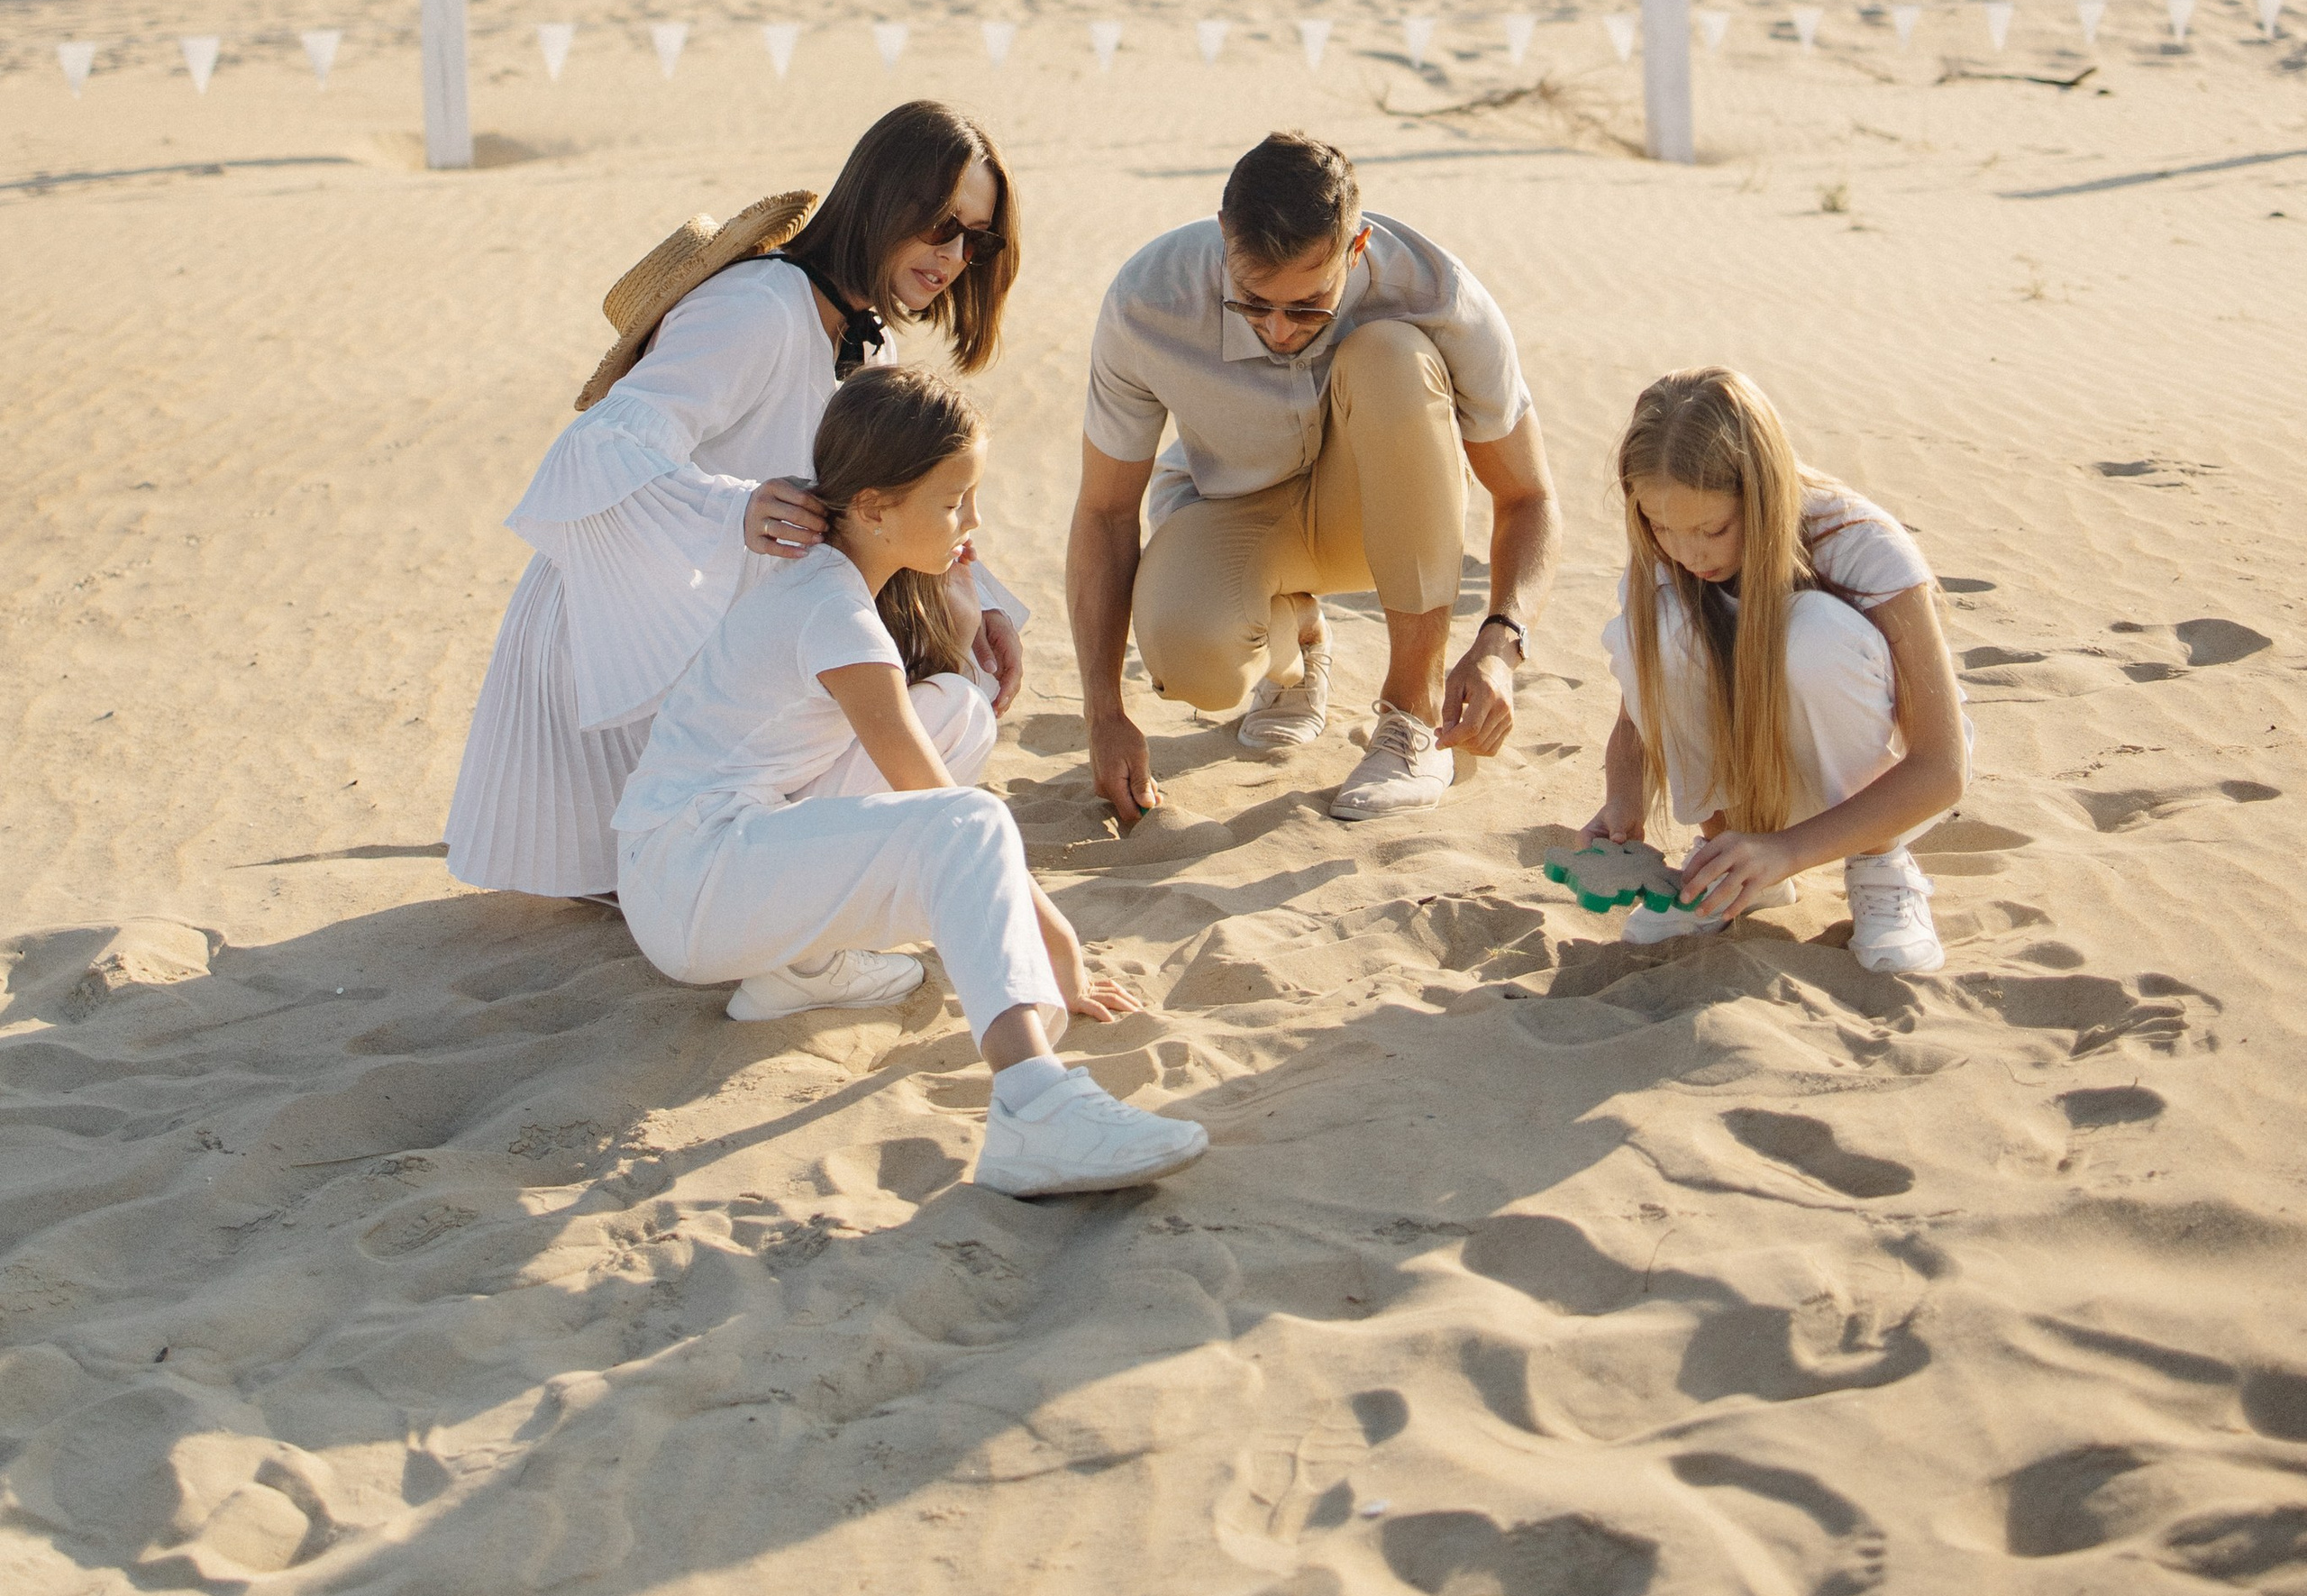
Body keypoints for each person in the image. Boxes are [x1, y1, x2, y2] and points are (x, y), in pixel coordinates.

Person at [618, 364, 1209, 1196]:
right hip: (690, 880)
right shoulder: (835, 610)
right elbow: (931, 800)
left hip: (710, 856)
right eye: (953, 500)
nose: (973, 520)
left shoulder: (834, 581)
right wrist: (1059, 944)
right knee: (966, 823)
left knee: (956, 710)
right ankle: (1034, 1108)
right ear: (873, 508)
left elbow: (917, 762)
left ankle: (799, 968)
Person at [445, 101, 1026, 901]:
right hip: (622, 631)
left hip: (717, 639)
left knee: (958, 681)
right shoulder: (757, 307)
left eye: (978, 237)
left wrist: (980, 599)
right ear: (883, 201)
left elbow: (898, 496)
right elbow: (597, 447)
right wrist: (734, 509)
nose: (956, 256)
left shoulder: (869, 339)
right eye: (939, 225)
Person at [1066, 129, 1562, 826]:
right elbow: (1105, 514)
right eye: (1250, 301)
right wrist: (1104, 711)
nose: (1276, 328)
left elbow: (1529, 495)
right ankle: (1296, 641)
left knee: (1392, 353)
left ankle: (1411, 718)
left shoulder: (1438, 292)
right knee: (1191, 665)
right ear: (1221, 240)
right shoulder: (1147, 301)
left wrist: (1501, 646)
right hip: (1230, 506)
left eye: (1306, 307)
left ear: (1356, 250)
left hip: (1379, 517)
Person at [1582, 365, 1968, 975]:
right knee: (1657, 631)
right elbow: (1640, 709)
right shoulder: (1667, 553)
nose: (1689, 552)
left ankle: (1880, 866)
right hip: (1753, 783)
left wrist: (1788, 849)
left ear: (1761, 492)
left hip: (1875, 784)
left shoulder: (1860, 543)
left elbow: (1942, 769)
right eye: (1660, 526)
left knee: (1810, 632)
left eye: (1713, 528)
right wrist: (1623, 802)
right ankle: (1731, 860)